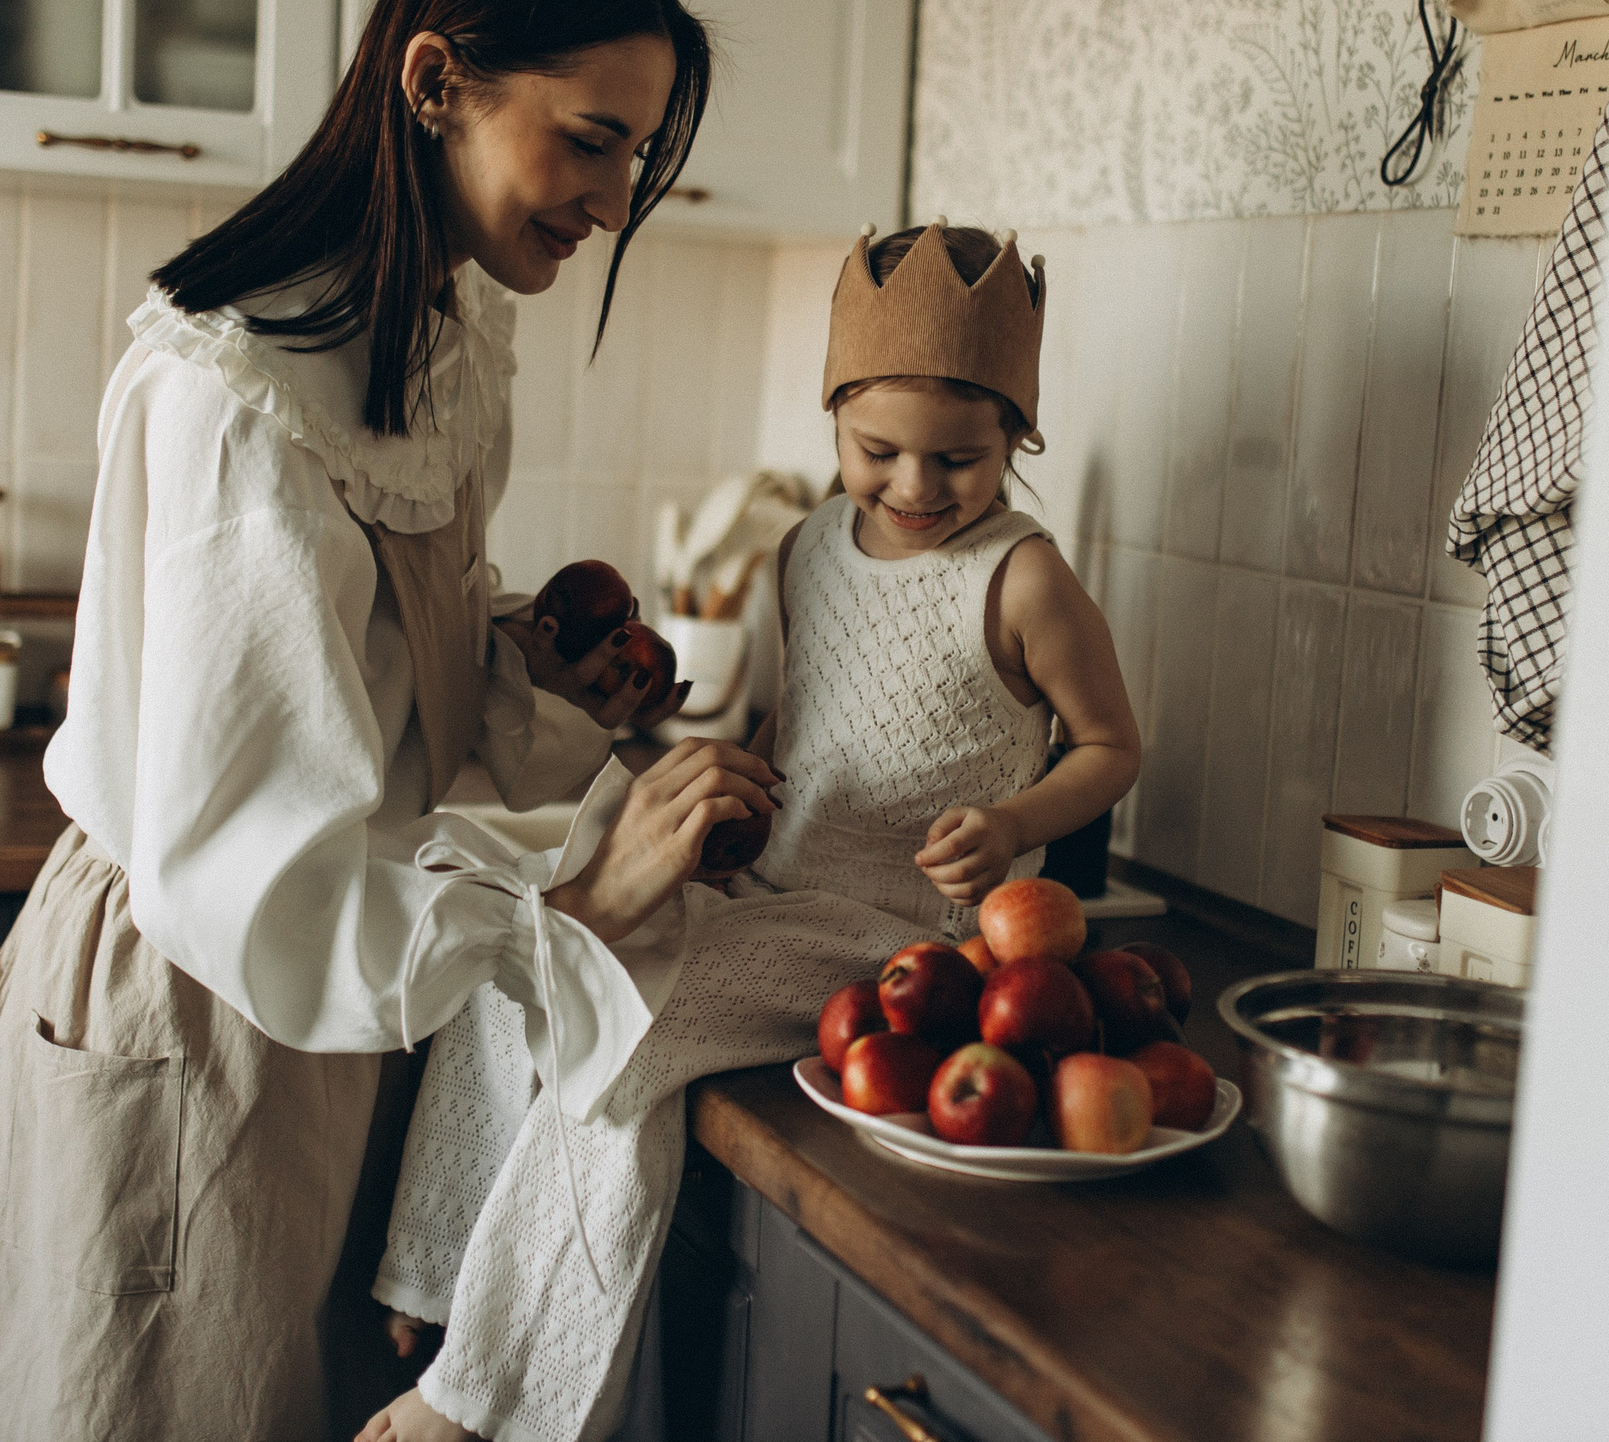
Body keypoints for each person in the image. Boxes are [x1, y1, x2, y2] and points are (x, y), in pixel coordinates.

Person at [0, 0, 783, 1442]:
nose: (612, 193)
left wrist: (532, 669)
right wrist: (571, 910)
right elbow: (246, 846)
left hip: (334, 993)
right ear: (438, 81)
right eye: (590, 137)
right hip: (205, 993)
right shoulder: (236, 388)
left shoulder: (443, 332)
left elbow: (371, 683)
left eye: (636, 154)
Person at [362, 221, 1143, 1442]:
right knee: (517, 943)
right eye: (877, 450)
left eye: (963, 458)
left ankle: (481, 1404)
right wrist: (698, 767)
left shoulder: (1024, 580)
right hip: (770, 890)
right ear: (832, 417)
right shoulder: (803, 550)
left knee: (624, 1034)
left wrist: (1009, 820)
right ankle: (437, 1268)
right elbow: (801, 723)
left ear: (1018, 437)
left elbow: (1109, 749)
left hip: (899, 938)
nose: (918, 488)